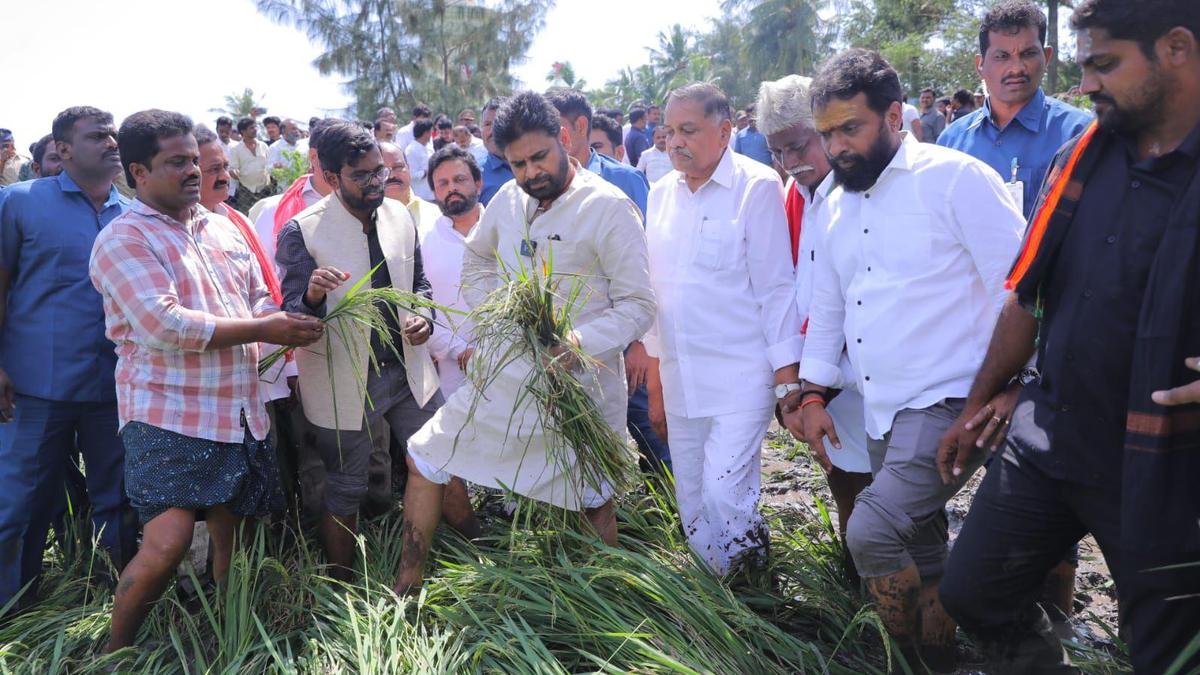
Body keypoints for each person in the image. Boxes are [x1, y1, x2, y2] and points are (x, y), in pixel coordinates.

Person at [938, 2, 1200, 672]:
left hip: (1164, 461)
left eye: (1104, 64)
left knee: (1166, 648)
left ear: (1176, 49)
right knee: (972, 592)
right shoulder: (1081, 157)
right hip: (1050, 432)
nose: (1085, 86)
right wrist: (979, 402)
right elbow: (1028, 296)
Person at [796, 49, 1025, 672]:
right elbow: (830, 310)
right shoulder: (834, 205)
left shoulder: (956, 179)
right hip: (881, 406)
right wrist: (810, 394)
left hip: (952, 400)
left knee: (871, 531)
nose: (836, 148)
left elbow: (1021, 293)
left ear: (894, 116)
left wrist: (1014, 388)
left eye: (850, 128)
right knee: (922, 547)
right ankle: (938, 659)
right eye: (826, 134)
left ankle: (902, 661)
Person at [396, 91, 655, 592]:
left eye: (540, 157)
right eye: (518, 164)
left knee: (590, 500)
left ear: (565, 138)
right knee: (423, 456)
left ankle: (606, 606)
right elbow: (477, 259)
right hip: (507, 376)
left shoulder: (607, 208)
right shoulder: (509, 201)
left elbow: (638, 305)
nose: (531, 173)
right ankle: (405, 587)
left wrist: (577, 342)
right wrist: (500, 312)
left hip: (580, 388)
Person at [92, 110, 323, 652]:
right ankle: (114, 653)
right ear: (138, 172)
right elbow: (164, 323)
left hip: (237, 410)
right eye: (177, 162)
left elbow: (258, 299)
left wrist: (287, 321)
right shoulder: (123, 238)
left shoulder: (222, 226)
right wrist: (265, 328)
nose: (194, 171)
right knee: (167, 542)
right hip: (167, 412)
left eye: (194, 160)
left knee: (230, 534)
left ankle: (227, 633)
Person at [274, 121, 470, 579]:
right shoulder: (302, 230)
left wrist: (424, 318)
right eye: (361, 175)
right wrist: (313, 296)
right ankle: (342, 584)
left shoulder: (400, 216)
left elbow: (419, 284)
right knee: (345, 485)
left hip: (408, 371)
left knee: (439, 457)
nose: (375, 182)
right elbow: (293, 317)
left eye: (379, 171)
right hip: (344, 382)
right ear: (330, 175)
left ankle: (474, 550)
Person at [644, 82, 801, 575]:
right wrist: (656, 384)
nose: (675, 142)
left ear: (725, 131)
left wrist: (787, 379)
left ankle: (755, 586)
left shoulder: (756, 186)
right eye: (669, 131)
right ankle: (717, 598)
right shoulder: (661, 194)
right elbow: (656, 292)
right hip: (680, 377)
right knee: (692, 499)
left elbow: (776, 289)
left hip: (740, 376)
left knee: (726, 493)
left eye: (688, 130)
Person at [0, 106, 137, 612]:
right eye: (98, 136)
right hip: (35, 386)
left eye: (114, 134)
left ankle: (112, 605)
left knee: (117, 500)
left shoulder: (134, 214)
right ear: (62, 148)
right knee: (19, 503)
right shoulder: (19, 202)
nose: (112, 143)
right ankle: (13, 611)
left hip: (116, 386)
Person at [757, 74, 874, 578]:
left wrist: (814, 385)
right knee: (844, 481)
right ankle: (857, 581)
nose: (790, 161)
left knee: (878, 494)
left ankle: (882, 588)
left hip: (858, 370)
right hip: (817, 375)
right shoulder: (794, 193)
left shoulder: (857, 193)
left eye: (799, 145)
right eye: (778, 151)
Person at [545, 89, 665, 472]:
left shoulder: (624, 182)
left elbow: (649, 265)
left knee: (651, 436)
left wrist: (641, 343)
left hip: (626, 341)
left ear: (579, 127)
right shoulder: (537, 189)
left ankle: (671, 505)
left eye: (552, 129)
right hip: (565, 349)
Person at [939, 0, 1093, 219]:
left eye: (1028, 53)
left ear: (1046, 57)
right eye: (1002, 56)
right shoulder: (951, 142)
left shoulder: (1078, 135)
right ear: (980, 65)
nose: (1016, 68)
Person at [420, 146, 484, 395]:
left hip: (511, 363)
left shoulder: (504, 231)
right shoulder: (424, 242)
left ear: (478, 183)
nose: (452, 188)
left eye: (459, 179)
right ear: (434, 192)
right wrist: (460, 350)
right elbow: (421, 309)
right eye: (443, 183)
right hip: (452, 375)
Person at [379, 141, 441, 234]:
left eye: (398, 167)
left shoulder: (436, 215)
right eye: (382, 170)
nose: (391, 175)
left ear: (408, 168)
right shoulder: (364, 220)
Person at [229, 116, 271, 213]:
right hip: (246, 190)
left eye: (255, 127)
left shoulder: (263, 146)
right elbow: (233, 168)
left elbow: (270, 164)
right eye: (251, 128)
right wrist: (233, 172)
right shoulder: (235, 149)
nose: (255, 129)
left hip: (265, 189)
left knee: (266, 213)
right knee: (248, 216)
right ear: (243, 131)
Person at [479, 97, 515, 206]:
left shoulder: (534, 166)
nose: (493, 131)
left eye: (499, 122)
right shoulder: (475, 174)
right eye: (487, 124)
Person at [405, 120, 435, 202]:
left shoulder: (429, 147)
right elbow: (411, 174)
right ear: (425, 133)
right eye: (430, 131)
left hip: (432, 192)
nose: (431, 134)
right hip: (420, 195)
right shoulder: (411, 150)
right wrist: (426, 173)